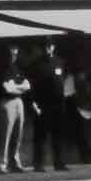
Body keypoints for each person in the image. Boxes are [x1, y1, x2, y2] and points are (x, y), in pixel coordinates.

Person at [28, 41, 72, 172]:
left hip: (58, 104)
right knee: (41, 135)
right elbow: (31, 85)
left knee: (58, 134)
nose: (48, 49)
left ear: (53, 47)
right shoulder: (36, 64)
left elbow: (65, 79)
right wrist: (33, 102)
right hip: (43, 103)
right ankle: (38, 164)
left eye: (50, 46)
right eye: (46, 47)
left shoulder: (60, 62)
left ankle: (59, 163)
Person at [0, 44, 31, 173]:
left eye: (15, 51)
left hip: (19, 101)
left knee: (18, 134)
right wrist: (18, 87)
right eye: (11, 51)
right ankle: (2, 164)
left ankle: (15, 162)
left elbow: (27, 86)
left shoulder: (18, 68)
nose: (14, 54)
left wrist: (15, 86)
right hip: (7, 102)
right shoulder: (2, 69)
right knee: (6, 135)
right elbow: (7, 88)